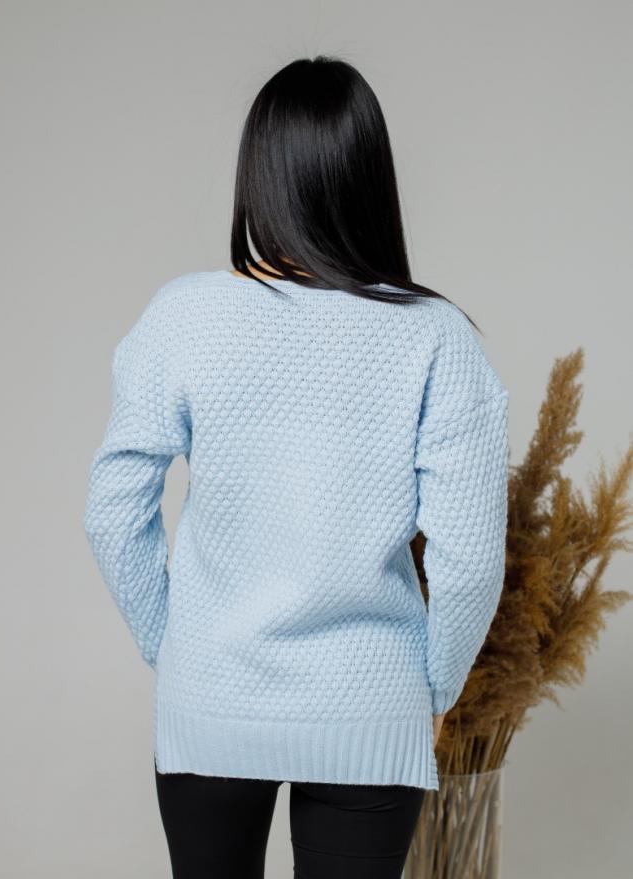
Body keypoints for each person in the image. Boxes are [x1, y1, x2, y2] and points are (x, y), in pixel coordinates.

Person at [84, 55, 509, 879]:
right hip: (372, 702)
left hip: (212, 695)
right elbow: (469, 559)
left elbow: (112, 511)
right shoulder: (438, 336)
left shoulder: (182, 315)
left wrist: (174, 647)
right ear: (370, 178)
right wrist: (434, 686)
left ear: (258, 174)